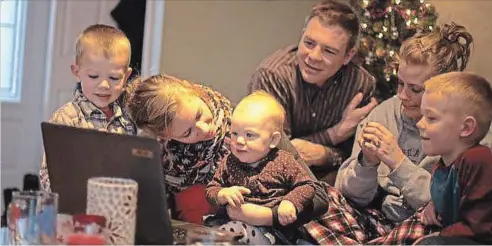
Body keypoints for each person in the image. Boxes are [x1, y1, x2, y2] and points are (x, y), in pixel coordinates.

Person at [304, 22, 492, 245]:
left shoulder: (468, 129)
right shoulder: (384, 114)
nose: (403, 96)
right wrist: (367, 163)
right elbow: (349, 195)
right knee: (315, 198)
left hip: (421, 224)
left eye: (416, 89)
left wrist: (397, 162)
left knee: (428, 232)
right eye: (400, 84)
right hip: (376, 220)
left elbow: (454, 208)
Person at [124, 74, 328, 229]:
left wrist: (269, 215)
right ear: (166, 137)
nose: (205, 130)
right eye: (188, 133)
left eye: (199, 115)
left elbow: (318, 197)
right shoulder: (164, 160)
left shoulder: (250, 126)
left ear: (195, 91)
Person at [248, 0, 378, 185]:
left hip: (335, 179)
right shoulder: (273, 76)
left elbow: (359, 157)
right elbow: (273, 153)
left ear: (348, 56)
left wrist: (325, 156)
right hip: (275, 180)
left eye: (329, 51)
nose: (313, 57)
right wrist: (334, 134)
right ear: (301, 37)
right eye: (309, 43)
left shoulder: (360, 85)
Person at [416, 72, 492, 244]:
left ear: (466, 127)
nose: (419, 124)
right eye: (422, 116)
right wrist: (434, 206)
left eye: (431, 118)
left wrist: (440, 236)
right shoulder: (443, 164)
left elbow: (482, 227)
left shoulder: (478, 160)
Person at [206, 91, 316, 244]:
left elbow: (307, 185)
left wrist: (290, 202)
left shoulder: (283, 161)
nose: (239, 141)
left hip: (272, 231)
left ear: (273, 140)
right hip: (233, 221)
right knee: (210, 229)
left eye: (249, 135)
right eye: (235, 133)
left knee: (232, 234)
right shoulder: (229, 161)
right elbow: (212, 188)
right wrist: (222, 194)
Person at [39, 24, 135, 191]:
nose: (104, 85)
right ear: (77, 72)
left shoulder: (129, 119)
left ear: (126, 76)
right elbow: (48, 177)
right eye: (93, 76)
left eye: (114, 78)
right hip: (76, 210)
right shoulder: (66, 119)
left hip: (118, 207)